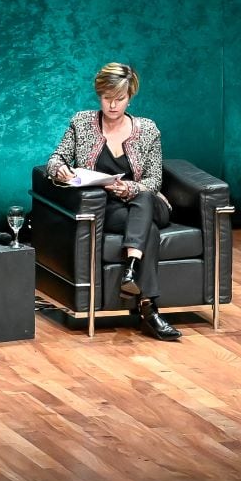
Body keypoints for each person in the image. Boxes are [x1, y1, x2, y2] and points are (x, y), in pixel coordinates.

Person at [43, 62, 180, 341]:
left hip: (150, 204)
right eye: (107, 98)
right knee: (148, 232)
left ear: (130, 97)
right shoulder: (81, 123)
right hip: (109, 210)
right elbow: (55, 159)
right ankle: (148, 307)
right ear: (99, 96)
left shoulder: (148, 129)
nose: (113, 105)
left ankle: (132, 272)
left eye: (119, 99)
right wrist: (59, 169)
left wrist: (128, 188)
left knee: (142, 195)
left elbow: (154, 181)